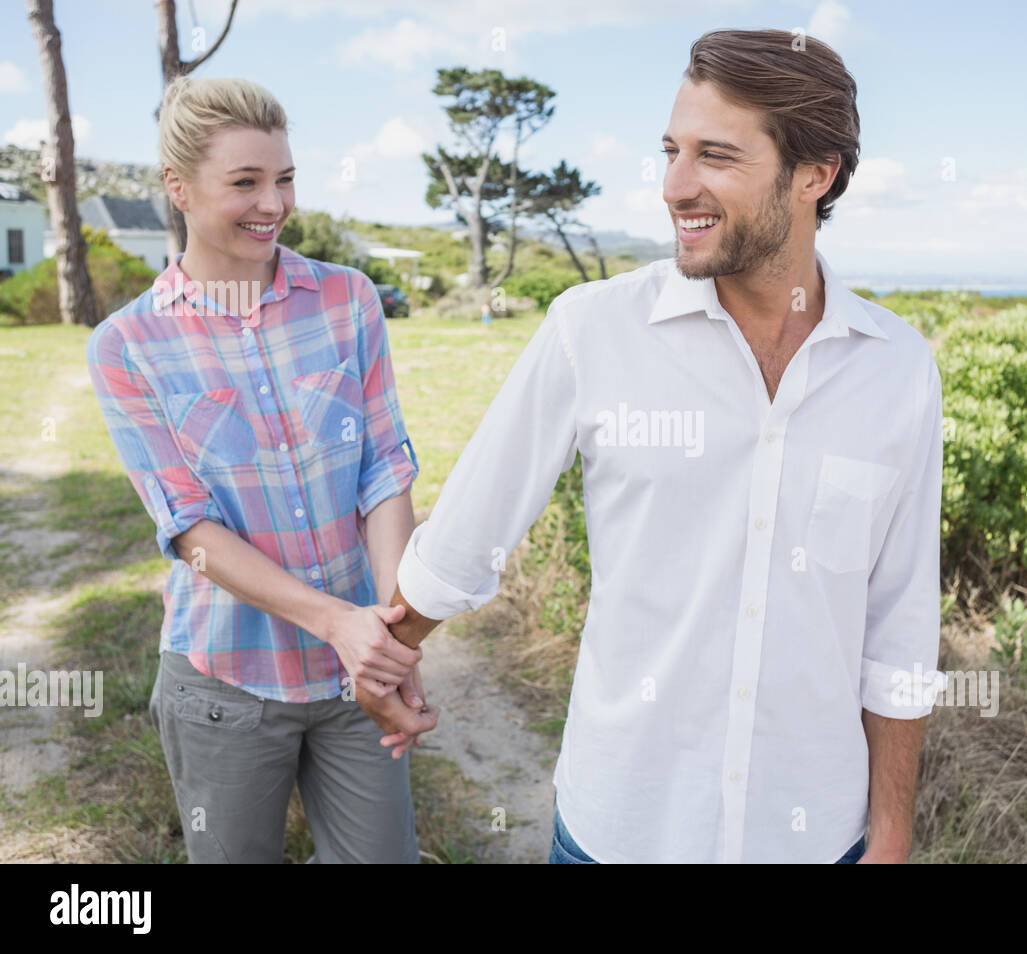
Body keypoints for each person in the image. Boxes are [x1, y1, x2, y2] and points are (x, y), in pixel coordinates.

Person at [373, 28, 946, 863]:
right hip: (619, 832)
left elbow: (898, 629)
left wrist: (890, 840)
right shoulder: (592, 330)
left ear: (815, 174)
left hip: (818, 838)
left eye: (715, 155)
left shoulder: (897, 369)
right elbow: (466, 537)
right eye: (670, 151)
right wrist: (388, 654)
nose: (677, 186)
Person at [86, 76, 438, 864]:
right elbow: (189, 530)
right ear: (177, 188)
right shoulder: (128, 344)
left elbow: (383, 467)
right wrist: (337, 624)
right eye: (244, 182)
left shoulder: (348, 299)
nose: (272, 204)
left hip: (357, 674)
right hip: (225, 685)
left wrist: (387, 637)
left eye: (283, 179)